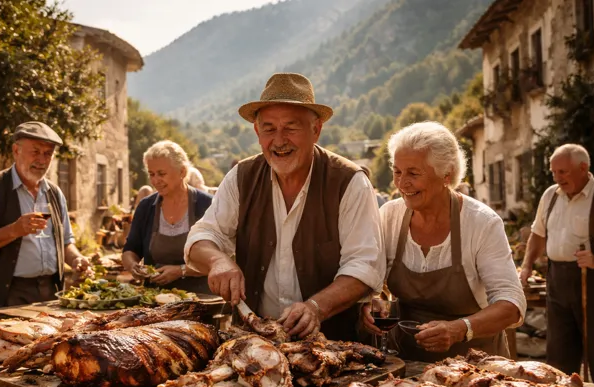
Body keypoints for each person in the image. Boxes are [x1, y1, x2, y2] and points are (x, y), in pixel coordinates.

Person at [185, 73, 385, 341]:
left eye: (291, 128)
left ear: (316, 130)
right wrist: (218, 260)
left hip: (332, 345)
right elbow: (202, 236)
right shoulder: (241, 177)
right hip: (253, 344)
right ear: (257, 132)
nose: (279, 141)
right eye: (269, 129)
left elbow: (364, 265)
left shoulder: (349, 182)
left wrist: (316, 307)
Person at [361, 121, 526, 361]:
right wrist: (368, 303)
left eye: (413, 173)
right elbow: (369, 277)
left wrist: (459, 329)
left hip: (474, 363)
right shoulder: (389, 215)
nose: (402, 183)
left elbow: (512, 304)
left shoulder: (481, 222)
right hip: (407, 362)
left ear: (446, 175)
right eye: (397, 172)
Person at [520, 143, 594, 386]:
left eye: (563, 172)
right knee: (559, 357)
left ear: (583, 168)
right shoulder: (550, 195)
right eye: (554, 172)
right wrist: (526, 266)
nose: (557, 178)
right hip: (558, 282)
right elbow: (538, 234)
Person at [0, 122, 92, 308]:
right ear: (16, 150)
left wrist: (76, 259)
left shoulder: (54, 193)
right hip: (5, 294)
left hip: (51, 292)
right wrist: (14, 230)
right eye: (35, 152)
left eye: (48, 154)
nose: (41, 160)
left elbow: (65, 242)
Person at [122, 141, 212, 292]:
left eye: (161, 174)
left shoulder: (207, 205)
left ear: (182, 172)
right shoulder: (146, 207)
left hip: (201, 298)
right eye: (151, 174)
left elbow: (222, 259)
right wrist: (132, 265)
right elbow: (130, 249)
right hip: (154, 297)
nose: (155, 180)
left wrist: (181, 271)